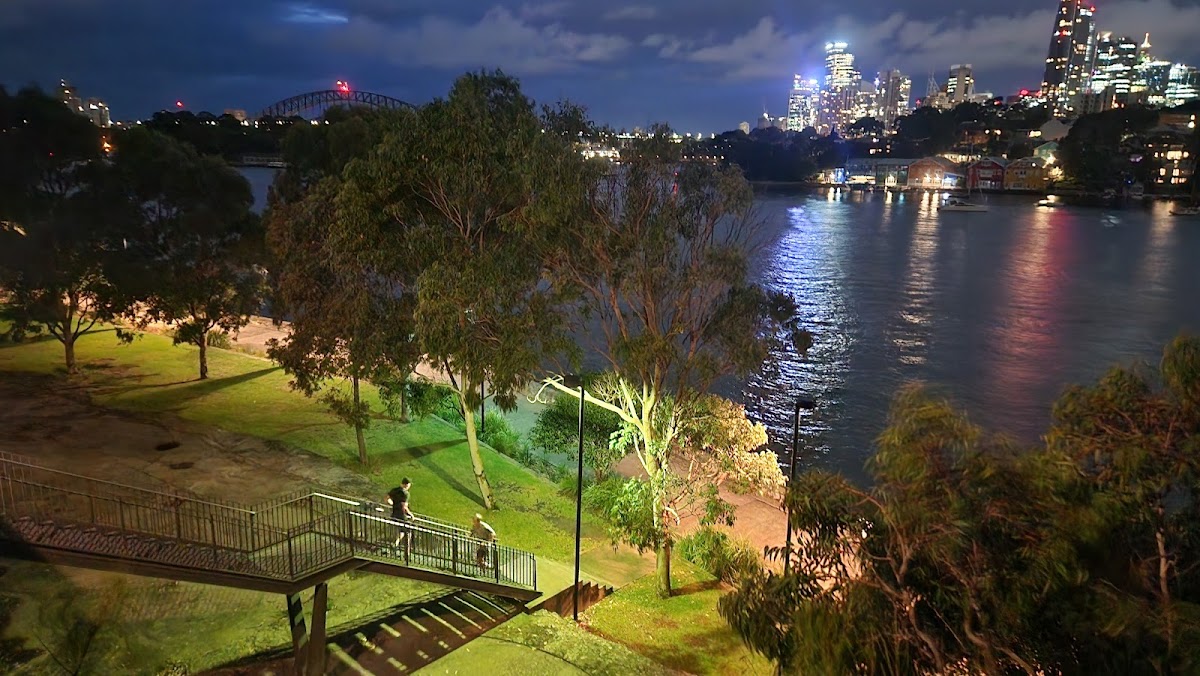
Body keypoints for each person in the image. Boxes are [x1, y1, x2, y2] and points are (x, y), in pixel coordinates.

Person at [385, 478, 413, 552]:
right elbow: (404, 506)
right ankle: (407, 552)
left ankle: (395, 543)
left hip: (394, 514)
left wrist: (393, 504)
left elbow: (387, 499)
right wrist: (411, 515)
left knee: (402, 530)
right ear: (407, 485)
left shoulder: (395, 490)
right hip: (402, 515)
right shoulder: (406, 494)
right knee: (408, 531)